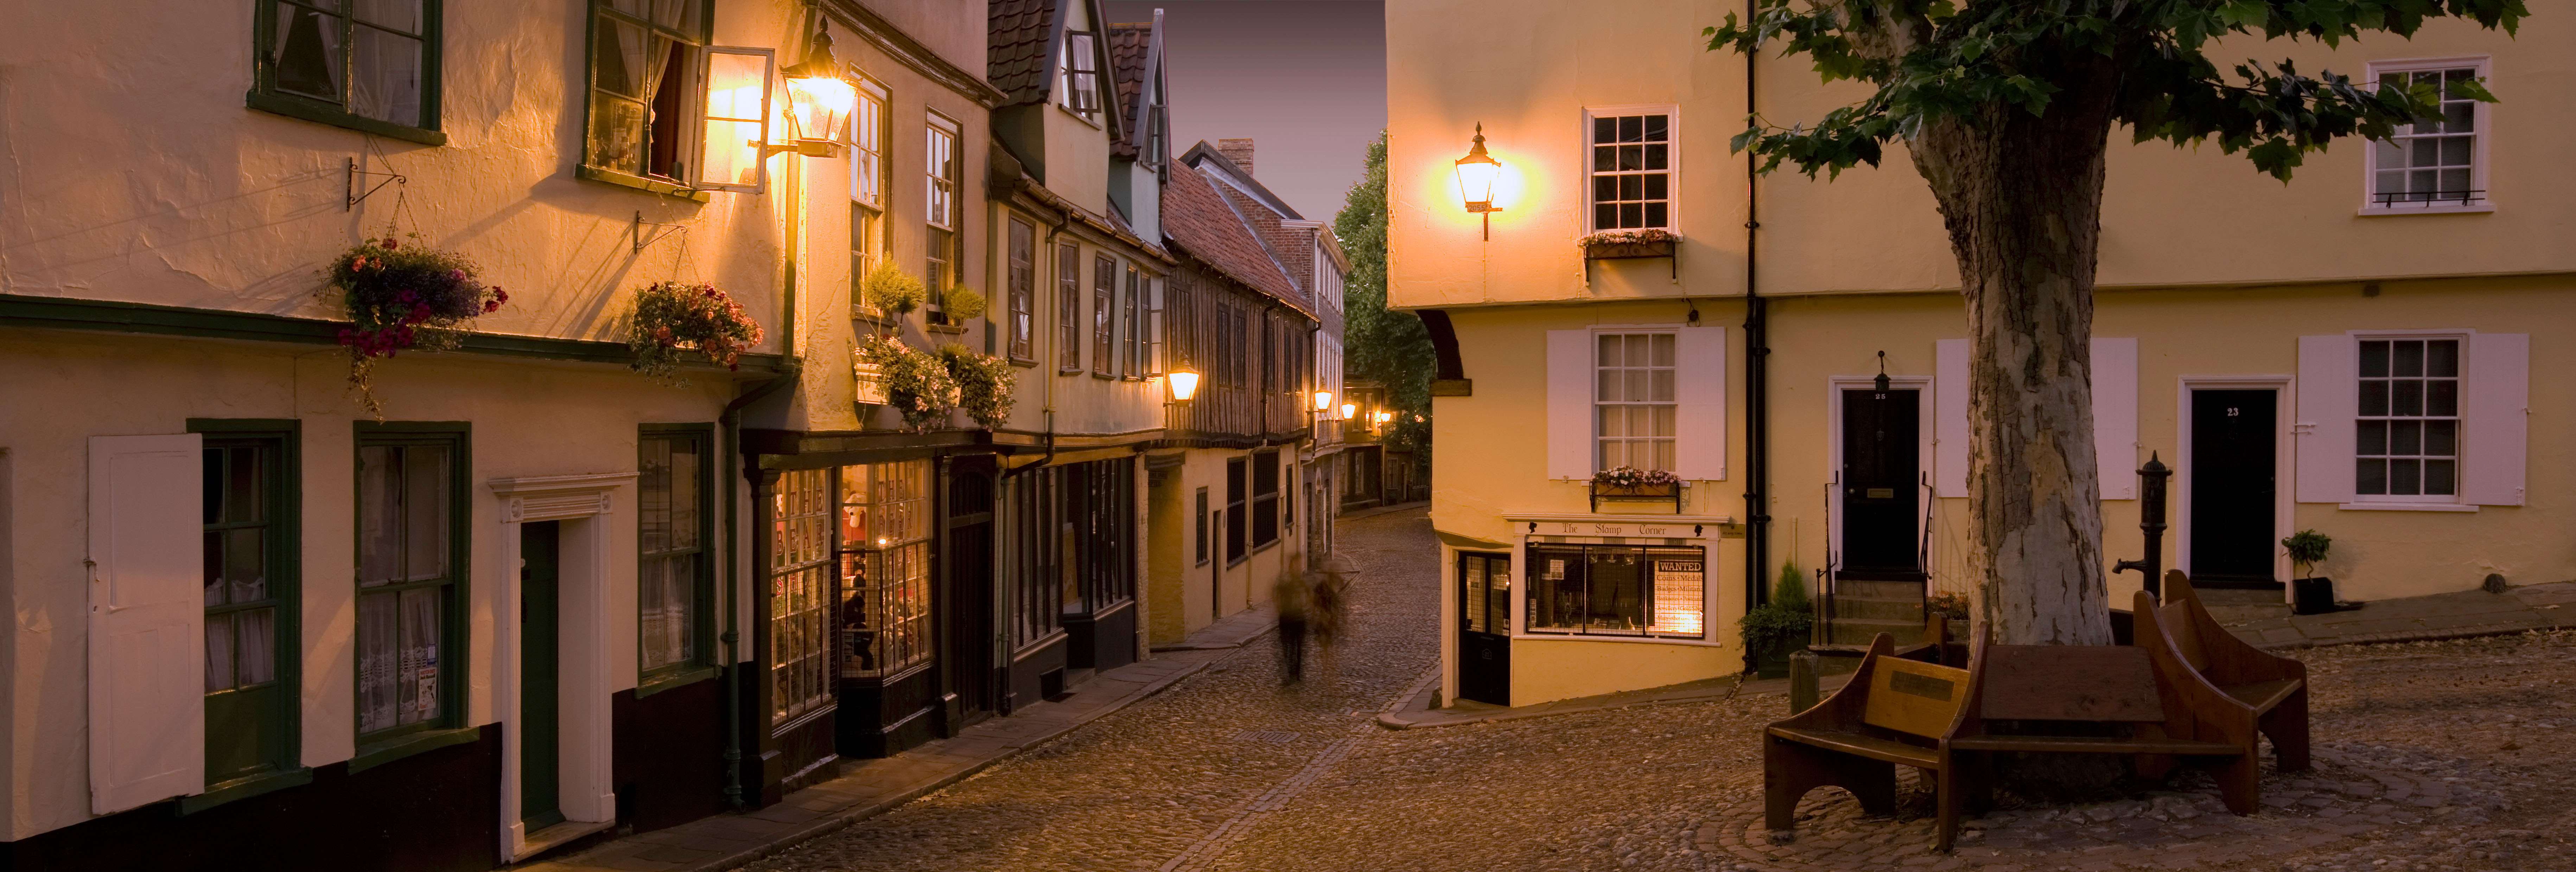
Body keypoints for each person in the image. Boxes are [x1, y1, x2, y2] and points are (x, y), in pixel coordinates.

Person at [1273, 562, 1311, 684]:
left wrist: (1306, 607)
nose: (1297, 570)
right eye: (1295, 568)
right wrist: (1280, 609)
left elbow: (1309, 596)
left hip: (1299, 619)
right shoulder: (1285, 583)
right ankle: (1290, 672)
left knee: (1298, 647)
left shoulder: (1301, 583)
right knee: (1288, 647)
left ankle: (1297, 673)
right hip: (1287, 619)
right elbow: (1277, 596)